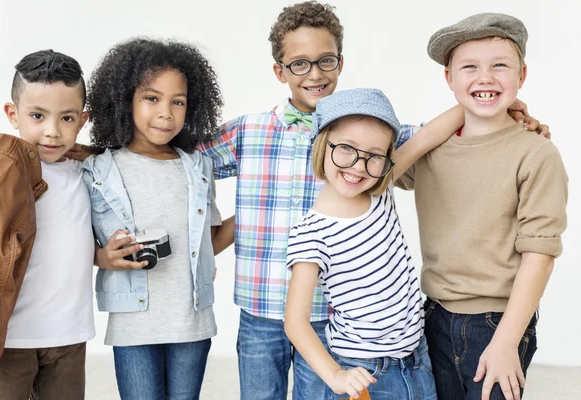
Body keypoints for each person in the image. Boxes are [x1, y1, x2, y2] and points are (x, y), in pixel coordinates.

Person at [196, 2, 546, 398]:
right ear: (280, 70)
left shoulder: (373, 165)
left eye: (325, 60)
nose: (314, 73)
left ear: (340, 63)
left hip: (338, 322)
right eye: (299, 64)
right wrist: (202, 250)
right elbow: (185, 165)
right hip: (261, 305)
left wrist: (494, 102)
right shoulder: (249, 131)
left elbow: (430, 136)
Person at [397, 13, 568, 400]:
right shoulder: (431, 148)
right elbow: (381, 173)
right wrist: (458, 114)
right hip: (432, 316)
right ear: (448, 79)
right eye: (469, 67)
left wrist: (507, 340)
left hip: (497, 322)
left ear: (521, 75)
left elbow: (539, 252)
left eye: (500, 66)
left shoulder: (536, 153)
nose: (485, 77)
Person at [284, 88, 464, 399]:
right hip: (364, 371)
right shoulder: (311, 233)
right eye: (346, 148)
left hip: (417, 359)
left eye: (374, 156)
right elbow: (295, 322)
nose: (357, 165)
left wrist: (489, 104)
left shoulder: (380, 190)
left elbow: (425, 138)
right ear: (321, 145)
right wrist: (336, 376)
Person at [82, 38, 233, 400]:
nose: (166, 112)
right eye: (152, 98)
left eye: (177, 102)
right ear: (123, 100)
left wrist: (254, 212)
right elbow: (72, 240)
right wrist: (102, 257)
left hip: (191, 319)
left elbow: (208, 241)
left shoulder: (197, 167)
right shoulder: (97, 170)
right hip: (133, 320)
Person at [0, 50, 93, 400]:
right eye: (37, 115)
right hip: (10, 339)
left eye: (67, 118)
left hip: (69, 337)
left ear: (83, 119)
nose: (52, 131)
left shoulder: (88, 173)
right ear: (13, 115)